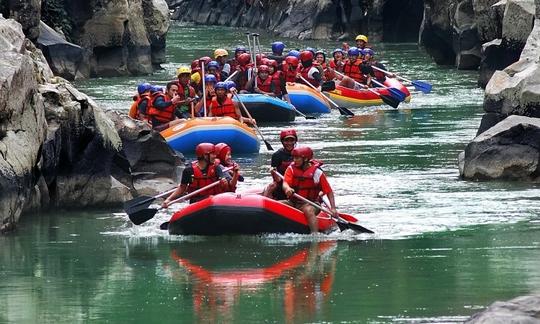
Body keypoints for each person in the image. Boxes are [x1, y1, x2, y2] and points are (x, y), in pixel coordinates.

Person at [282, 146, 338, 233]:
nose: (294, 160)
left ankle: (315, 236)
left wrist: (333, 208)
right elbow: (285, 183)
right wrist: (287, 189)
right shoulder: (291, 169)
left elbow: (329, 191)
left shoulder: (317, 173)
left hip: (311, 203)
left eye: (297, 158)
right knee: (279, 204)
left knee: (308, 210)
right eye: (294, 158)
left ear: (305, 159)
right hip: (293, 202)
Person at [162, 143, 229, 206]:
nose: (215, 156)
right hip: (197, 202)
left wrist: (224, 183)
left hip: (214, 200)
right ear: (205, 155)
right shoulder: (189, 170)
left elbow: (224, 184)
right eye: (212, 154)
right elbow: (182, 188)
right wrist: (169, 199)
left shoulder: (216, 167)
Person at [263, 129, 297, 200]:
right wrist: (273, 172)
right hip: (282, 183)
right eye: (286, 141)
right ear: (282, 142)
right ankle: (265, 201)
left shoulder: (300, 154)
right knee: (273, 185)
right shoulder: (277, 155)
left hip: (297, 183)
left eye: (292, 141)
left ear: (295, 141)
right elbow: (277, 180)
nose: (289, 143)